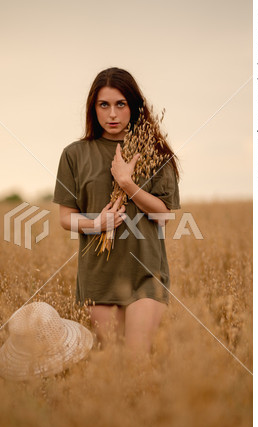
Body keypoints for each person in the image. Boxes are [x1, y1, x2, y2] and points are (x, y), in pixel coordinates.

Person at [53, 67, 180, 355]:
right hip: (98, 277)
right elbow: (64, 217)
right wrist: (97, 222)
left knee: (137, 362)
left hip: (146, 274)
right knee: (113, 368)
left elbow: (163, 215)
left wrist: (126, 182)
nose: (112, 114)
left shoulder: (154, 152)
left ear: (134, 106)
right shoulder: (74, 154)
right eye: (104, 105)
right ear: (93, 108)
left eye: (120, 104)